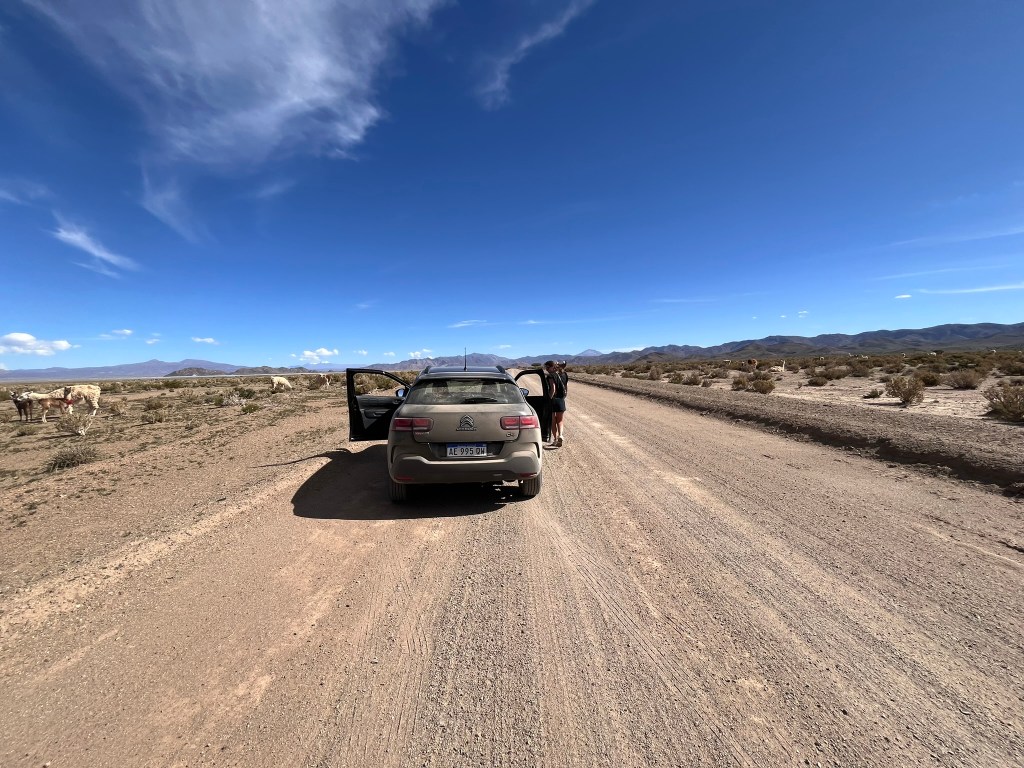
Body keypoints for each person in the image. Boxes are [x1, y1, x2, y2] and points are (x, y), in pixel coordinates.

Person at [543, 360, 566, 448]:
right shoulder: (563, 375)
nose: (547, 369)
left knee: (553, 421)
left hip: (553, 401)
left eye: (548, 367)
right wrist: (563, 397)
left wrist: (548, 399)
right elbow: (566, 388)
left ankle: (555, 440)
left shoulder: (550, 376)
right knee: (560, 420)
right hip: (561, 400)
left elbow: (553, 389)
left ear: (552, 367)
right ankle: (560, 435)